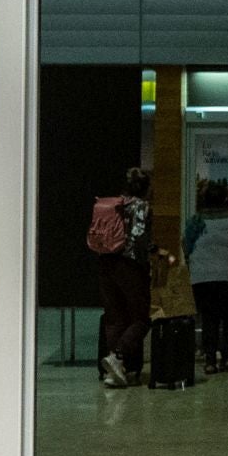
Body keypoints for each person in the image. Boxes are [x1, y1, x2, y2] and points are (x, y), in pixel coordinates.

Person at [184, 181, 228, 374]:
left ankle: (210, 361)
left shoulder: (196, 220)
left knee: (209, 318)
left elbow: (185, 245)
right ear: (224, 199)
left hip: (202, 278)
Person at [96, 167, 154, 389]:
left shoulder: (111, 204)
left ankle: (115, 371)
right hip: (129, 266)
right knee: (142, 317)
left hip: (105, 263)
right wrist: (151, 254)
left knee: (115, 318)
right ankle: (118, 357)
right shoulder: (141, 206)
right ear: (145, 187)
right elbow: (139, 239)